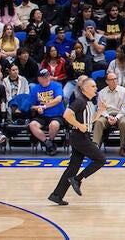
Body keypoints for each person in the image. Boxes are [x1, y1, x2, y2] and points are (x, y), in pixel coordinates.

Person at [48, 76, 108, 206]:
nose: (96, 88)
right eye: (93, 86)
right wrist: (79, 125)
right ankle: (78, 179)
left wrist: (101, 111)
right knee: (100, 159)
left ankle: (56, 195)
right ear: (85, 89)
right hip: (78, 136)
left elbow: (90, 120)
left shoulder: (89, 102)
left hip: (82, 136)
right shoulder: (80, 101)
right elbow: (66, 115)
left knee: (72, 168)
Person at [92, 72, 125, 156]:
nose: (114, 81)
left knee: (124, 122)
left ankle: (122, 147)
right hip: (107, 115)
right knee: (98, 122)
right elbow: (100, 108)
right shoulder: (102, 92)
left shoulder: (124, 91)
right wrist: (108, 116)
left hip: (120, 114)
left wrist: (116, 118)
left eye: (115, 79)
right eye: (111, 79)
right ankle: (95, 147)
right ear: (107, 81)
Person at [29, 69, 65, 156]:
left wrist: (44, 106)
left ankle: (51, 141)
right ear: (39, 79)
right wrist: (38, 108)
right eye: (44, 77)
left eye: (48, 76)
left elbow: (58, 99)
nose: (47, 78)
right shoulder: (35, 89)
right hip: (42, 116)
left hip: (56, 115)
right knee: (32, 125)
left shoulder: (56, 86)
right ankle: (48, 143)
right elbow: (32, 105)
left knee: (54, 125)